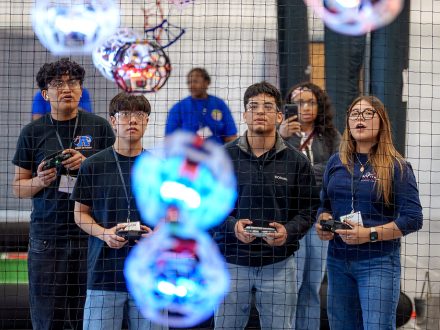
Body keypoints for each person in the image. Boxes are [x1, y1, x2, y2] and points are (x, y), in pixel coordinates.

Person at [11, 58, 115, 330]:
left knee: (89, 318)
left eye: (73, 82)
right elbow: (18, 187)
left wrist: (88, 165)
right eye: (58, 84)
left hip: (90, 236)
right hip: (48, 238)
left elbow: (117, 180)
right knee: (48, 320)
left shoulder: (100, 128)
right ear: (46, 94)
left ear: (81, 90)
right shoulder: (32, 133)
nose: (66, 88)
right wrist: (41, 180)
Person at [213, 81, 319, 329]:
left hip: (279, 266)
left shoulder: (297, 162)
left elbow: (308, 209)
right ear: (245, 114)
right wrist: (232, 226)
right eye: (253, 106)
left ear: (280, 115)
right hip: (231, 263)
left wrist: (288, 232)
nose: (260, 111)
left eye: (268, 106)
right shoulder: (221, 158)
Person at [316, 95, 423, 330]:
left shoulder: (397, 166)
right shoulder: (336, 162)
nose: (359, 119)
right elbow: (325, 205)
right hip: (338, 261)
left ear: (381, 121)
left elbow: (413, 218)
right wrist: (323, 221)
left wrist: (369, 234)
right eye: (354, 114)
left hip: (378, 262)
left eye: (367, 114)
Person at [71, 92, 163, 329]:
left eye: (139, 115)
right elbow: (79, 213)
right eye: (125, 114)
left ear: (147, 121)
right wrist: (104, 233)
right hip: (104, 273)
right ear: (112, 120)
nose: (132, 120)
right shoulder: (93, 165)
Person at [279, 82, 341, 330]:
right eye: (299, 102)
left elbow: (335, 172)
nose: (305, 107)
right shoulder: (279, 135)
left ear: (319, 105)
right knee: (290, 287)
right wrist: (280, 136)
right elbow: (272, 168)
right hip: (290, 217)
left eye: (310, 102)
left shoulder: (331, 136)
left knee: (312, 286)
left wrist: (302, 171)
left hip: (319, 216)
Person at [165, 67, 238, 144]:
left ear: (207, 82)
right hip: (187, 154)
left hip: (216, 154)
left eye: (195, 81)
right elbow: (169, 139)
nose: (192, 85)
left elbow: (231, 136)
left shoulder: (219, 104)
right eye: (189, 82)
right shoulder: (178, 108)